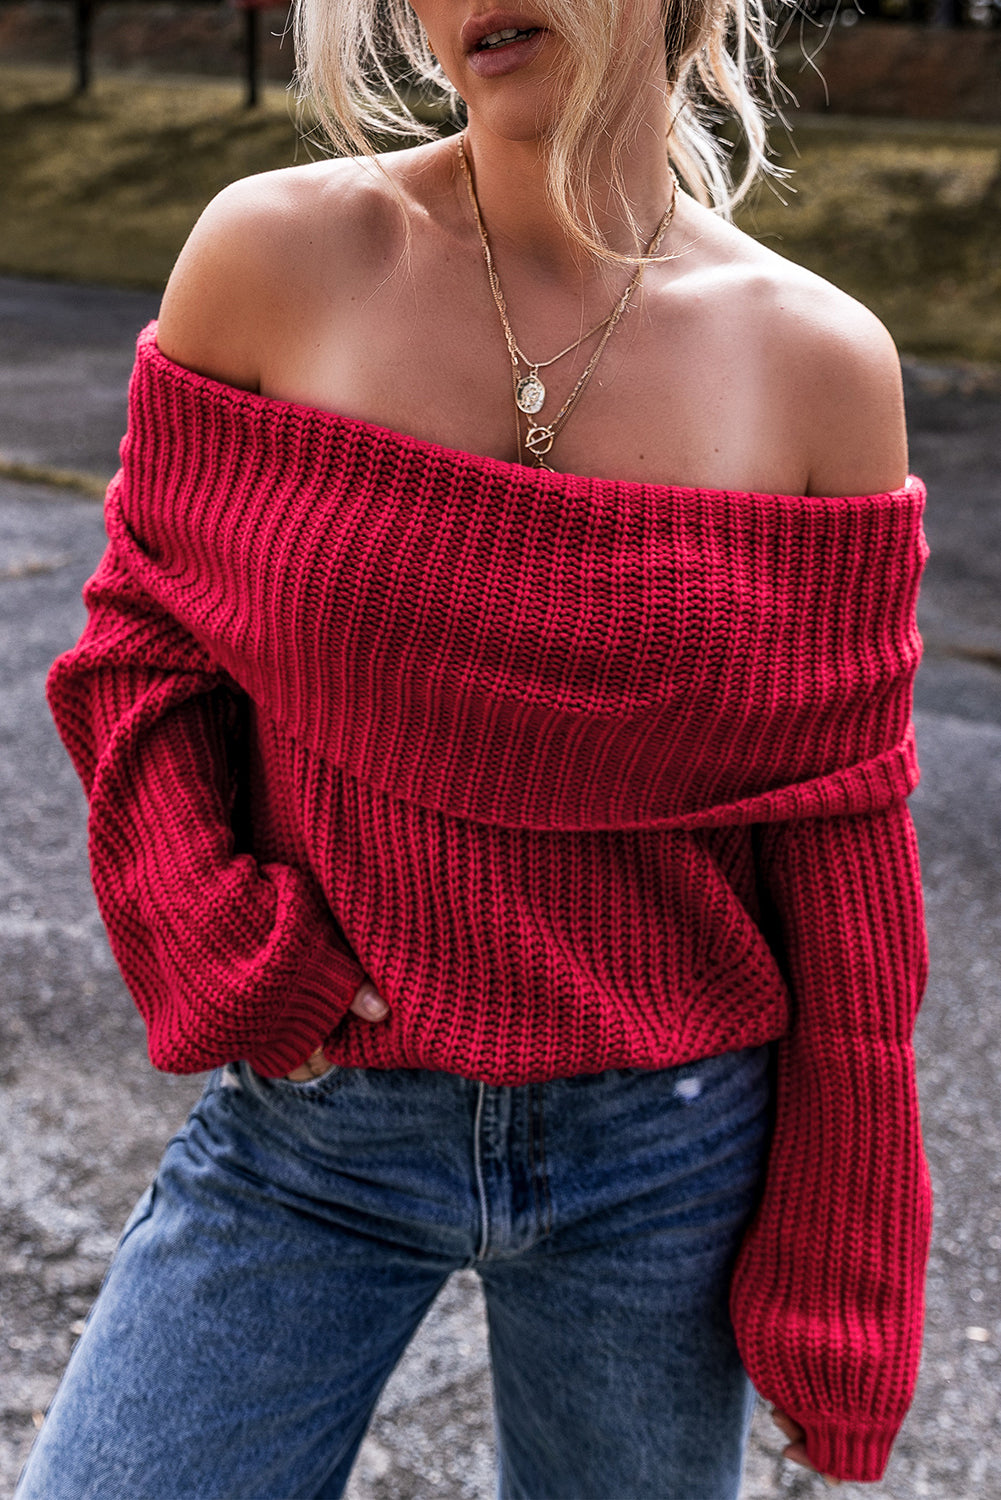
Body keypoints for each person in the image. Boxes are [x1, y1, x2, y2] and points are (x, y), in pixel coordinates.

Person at [17, 0, 933, 1496]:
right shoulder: (273, 259)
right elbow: (144, 651)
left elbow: (841, 844)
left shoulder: (819, 366)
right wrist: (213, 934)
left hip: (668, 1154)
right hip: (317, 1130)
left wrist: (844, 1277)